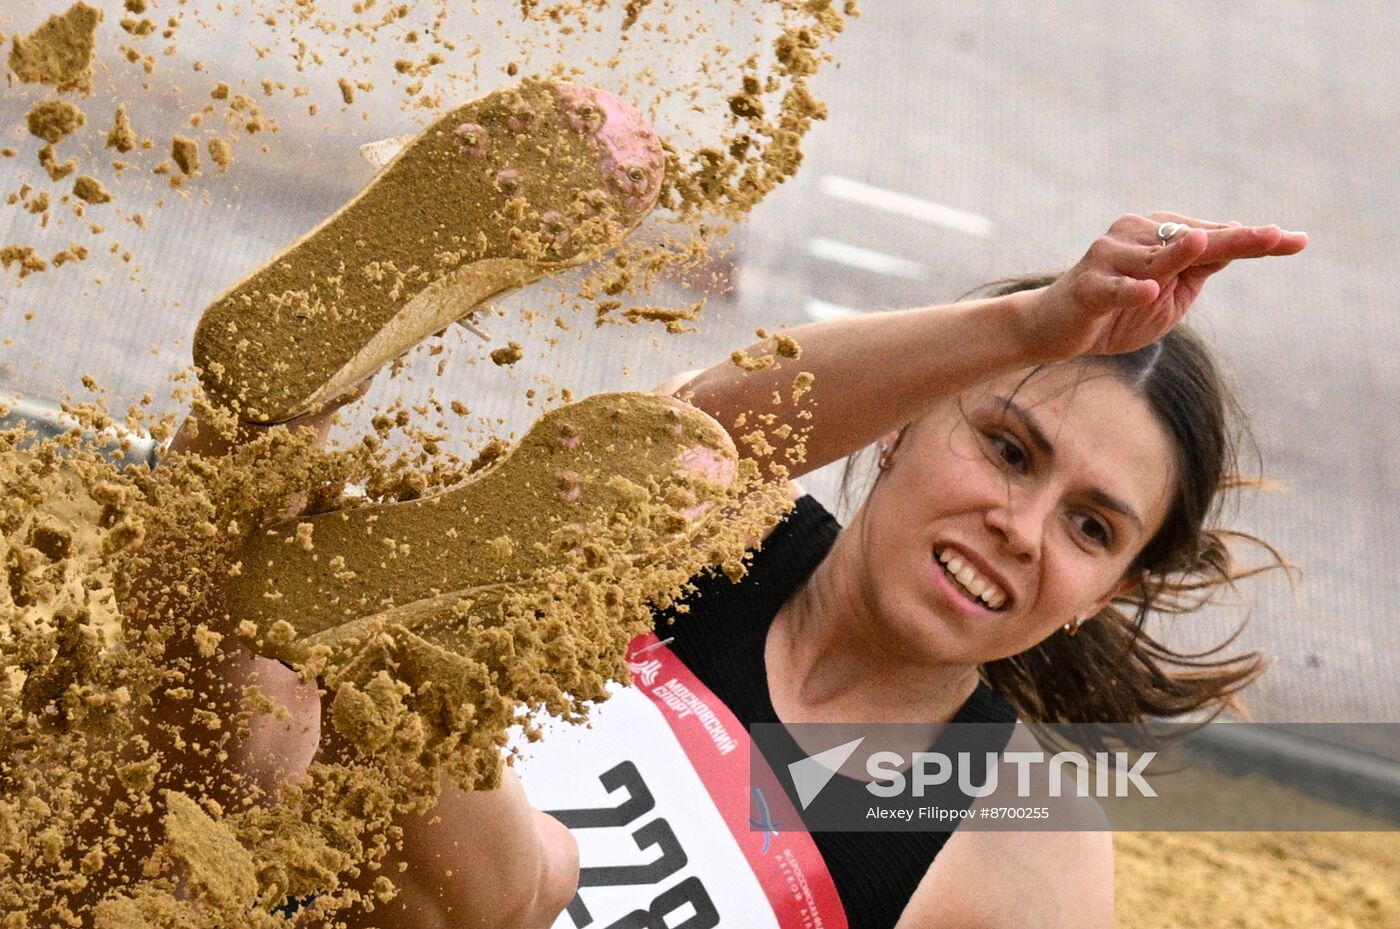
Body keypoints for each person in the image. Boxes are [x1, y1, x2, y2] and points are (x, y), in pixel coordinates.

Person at [170, 211, 1301, 929]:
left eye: (1090, 528)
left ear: (1104, 594)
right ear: (902, 423)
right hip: (263, 876)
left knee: (524, 870)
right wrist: (1028, 325)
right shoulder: (713, 526)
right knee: (255, 699)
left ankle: (308, 538)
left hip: (466, 879)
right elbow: (688, 428)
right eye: (1006, 448)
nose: (1019, 523)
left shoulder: (1020, 844)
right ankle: (273, 415)